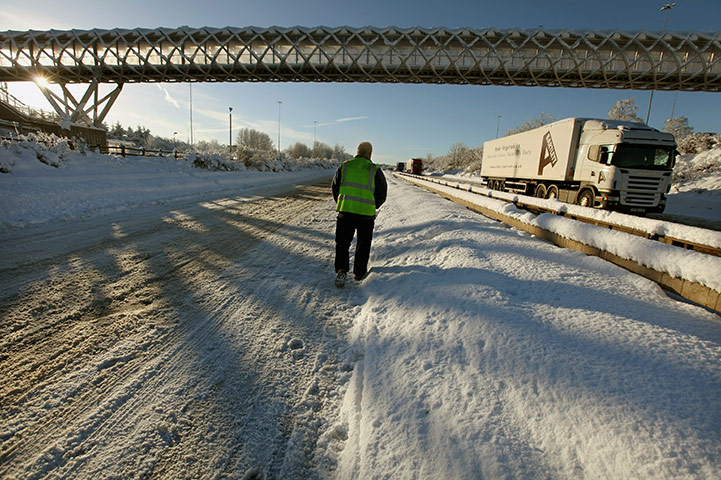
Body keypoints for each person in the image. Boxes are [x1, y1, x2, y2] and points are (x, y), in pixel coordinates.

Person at [331, 141, 387, 286]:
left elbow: (335, 187)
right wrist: (372, 205)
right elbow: (382, 194)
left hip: (346, 212)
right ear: (370, 154)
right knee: (363, 244)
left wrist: (342, 202)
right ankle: (359, 273)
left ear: (357, 152)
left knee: (342, 243)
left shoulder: (345, 166)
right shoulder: (374, 170)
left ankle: (341, 271)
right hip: (366, 216)